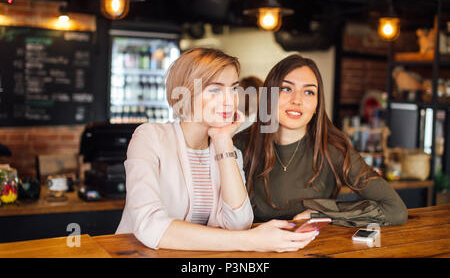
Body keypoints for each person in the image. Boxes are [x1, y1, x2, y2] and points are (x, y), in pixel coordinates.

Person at [116, 48, 318, 252]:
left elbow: (238, 223)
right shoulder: (150, 137)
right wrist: (252, 241)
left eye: (233, 89)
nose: (229, 100)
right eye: (215, 89)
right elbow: (150, 226)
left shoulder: (228, 150)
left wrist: (223, 141)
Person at [233, 54, 408, 225]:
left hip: (315, 250)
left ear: (317, 104)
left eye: (309, 92)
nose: (297, 100)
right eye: (286, 89)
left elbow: (395, 210)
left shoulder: (333, 148)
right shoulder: (239, 144)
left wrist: (323, 213)